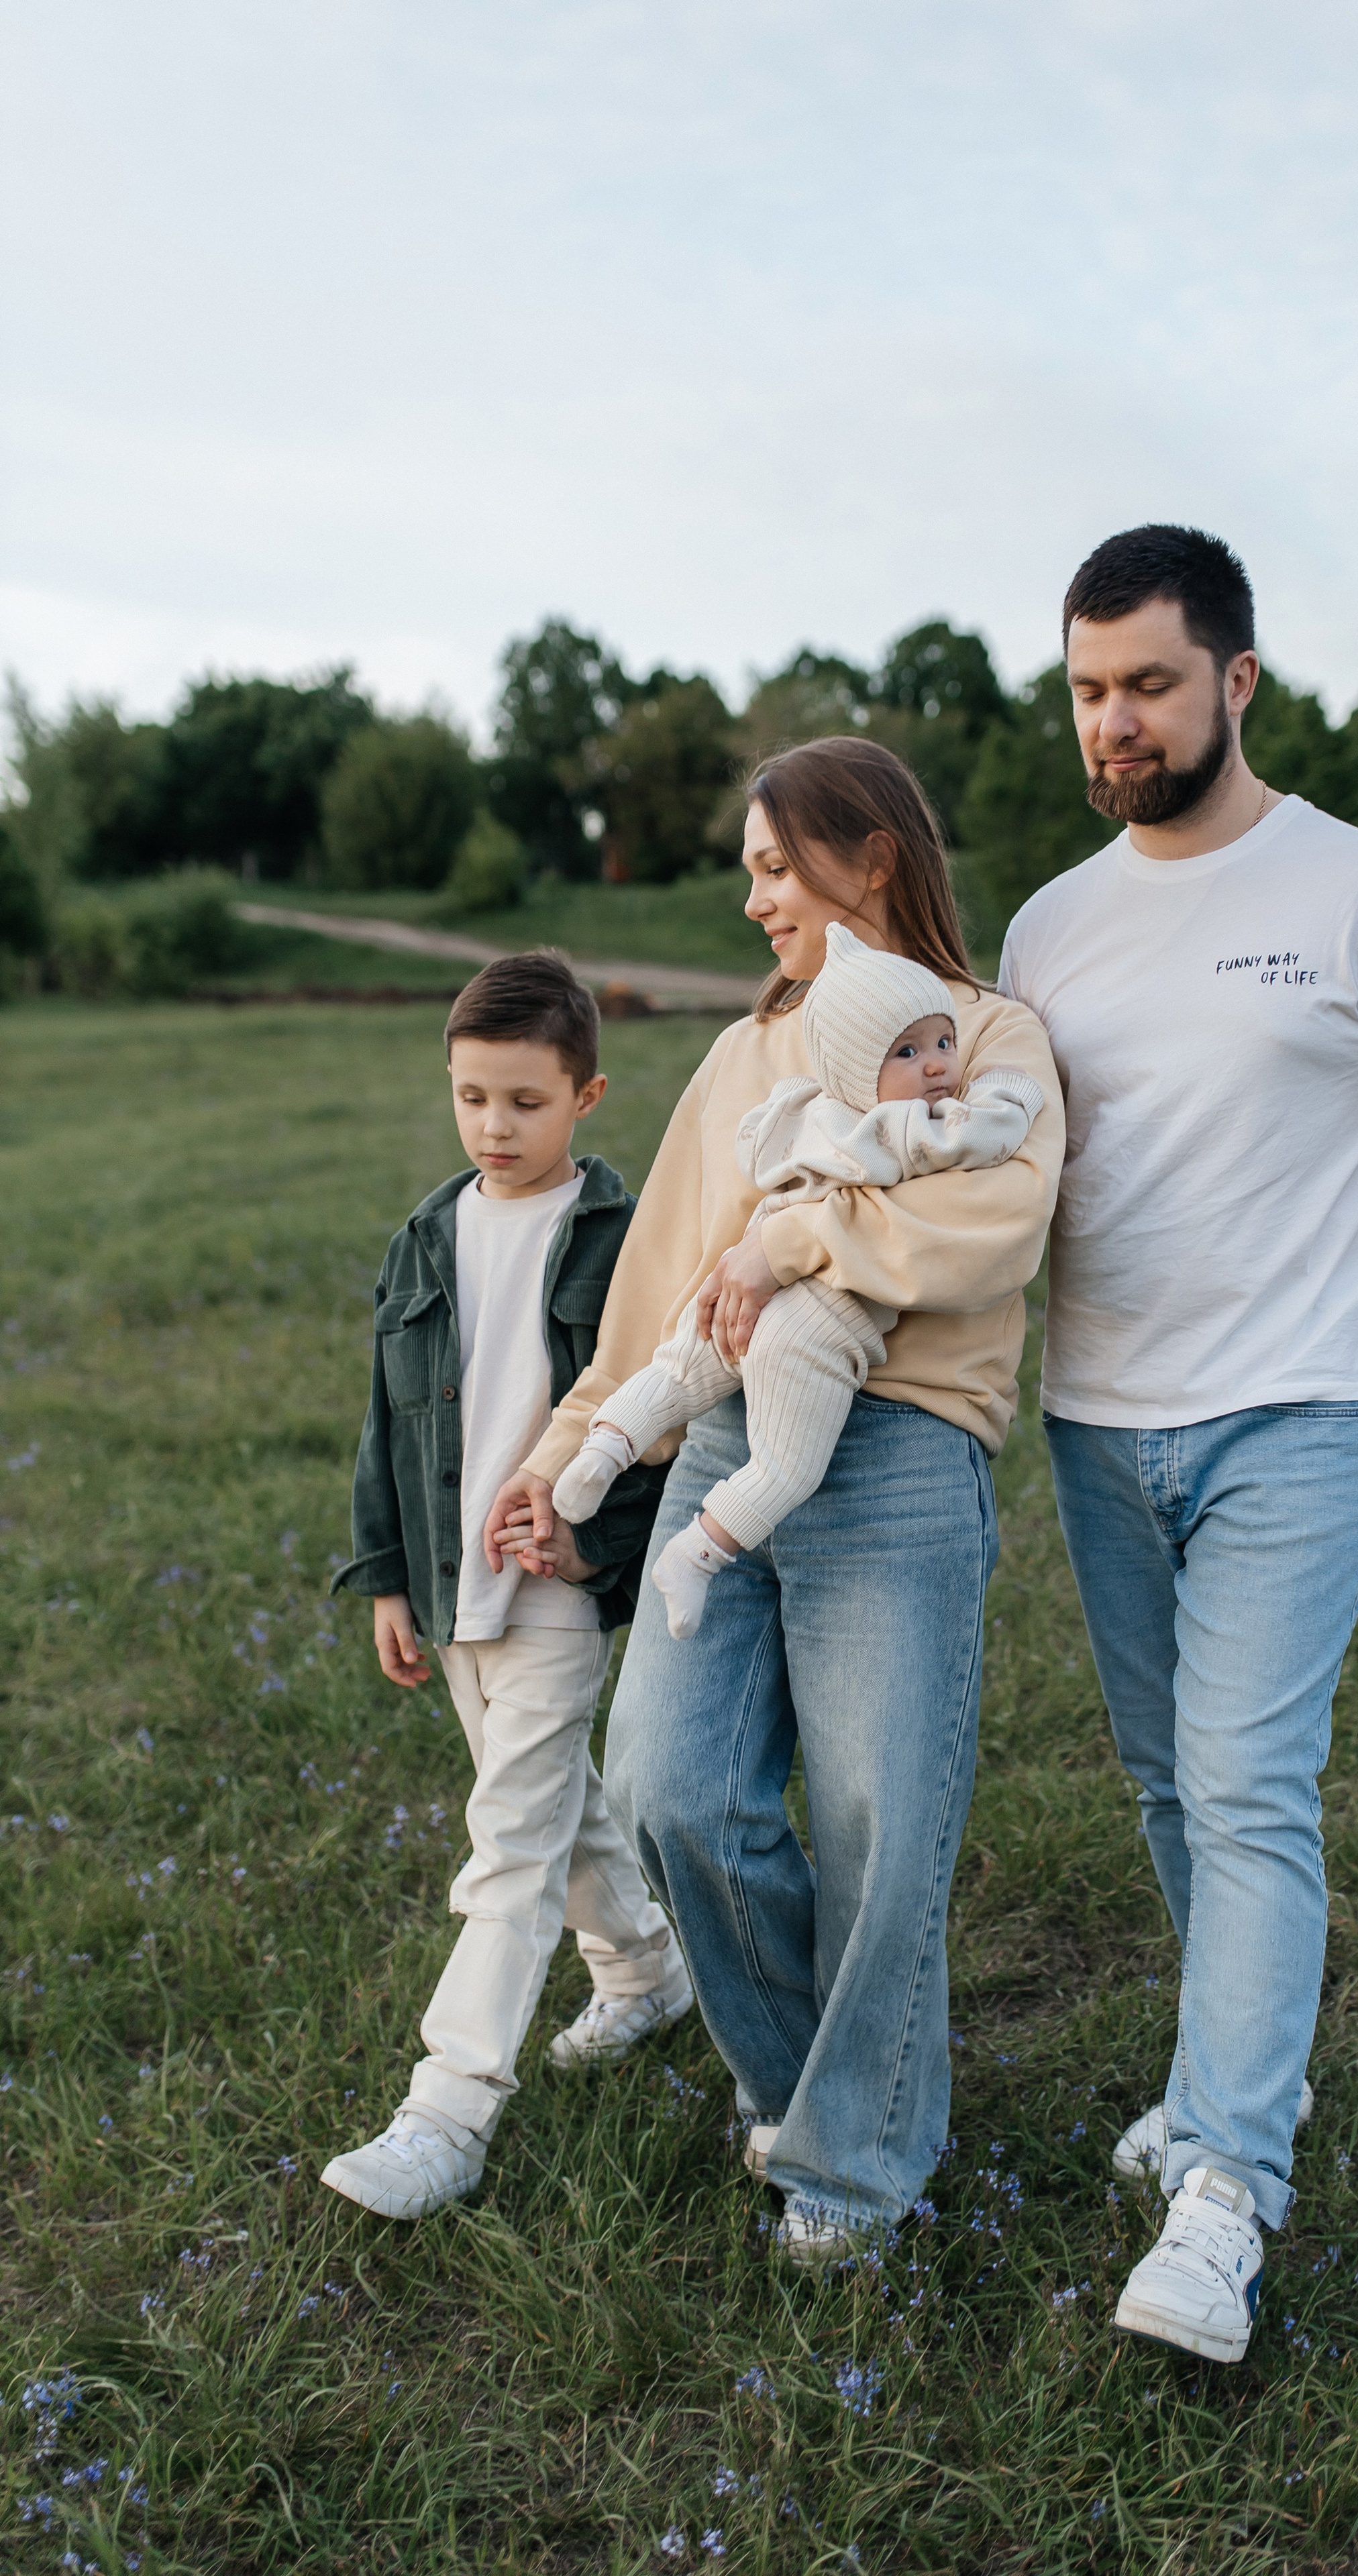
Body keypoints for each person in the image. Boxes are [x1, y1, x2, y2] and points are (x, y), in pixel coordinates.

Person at [999, 525, 1358, 2363]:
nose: (1116, 721)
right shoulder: (1049, 926)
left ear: (1237, 680)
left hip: (1296, 1420)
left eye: (1149, 683)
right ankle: (1239, 2072)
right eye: (1089, 690)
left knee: (1248, 1788)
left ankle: (1228, 2184)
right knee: (1173, 1790)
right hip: (1099, 1427)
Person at [488, 737, 1064, 2261]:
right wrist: (564, 1460)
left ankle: (854, 2163)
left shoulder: (993, 1034)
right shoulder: (749, 1057)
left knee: (880, 1813)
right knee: (672, 1787)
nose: (750, 898)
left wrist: (785, 1251)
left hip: (903, 1446)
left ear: (866, 858)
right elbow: (661, 1286)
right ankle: (819, 2079)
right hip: (720, 1441)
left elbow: (987, 1230)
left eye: (769, 864)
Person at [323, 951, 692, 2222]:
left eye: (525, 1102)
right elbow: (387, 1420)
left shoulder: (624, 1238)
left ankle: (451, 2105)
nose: (494, 1127)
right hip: (449, 1582)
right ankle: (644, 1971)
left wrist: (600, 1547)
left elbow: (663, 1417)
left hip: (550, 1586)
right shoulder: (427, 1234)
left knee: (512, 1842)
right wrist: (386, 1578)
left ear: (586, 1097)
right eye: (472, 1098)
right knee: (552, 1801)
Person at [538, 922, 1043, 1638]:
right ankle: (700, 1550)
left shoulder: (808, 1114)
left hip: (737, 1293)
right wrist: (1006, 1088)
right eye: (906, 1052)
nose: (935, 1066)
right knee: (784, 1466)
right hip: (817, 1325)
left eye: (943, 1044)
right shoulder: (903, 1129)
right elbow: (982, 1133)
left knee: (679, 1371)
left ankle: (606, 1447)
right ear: (858, 1069)